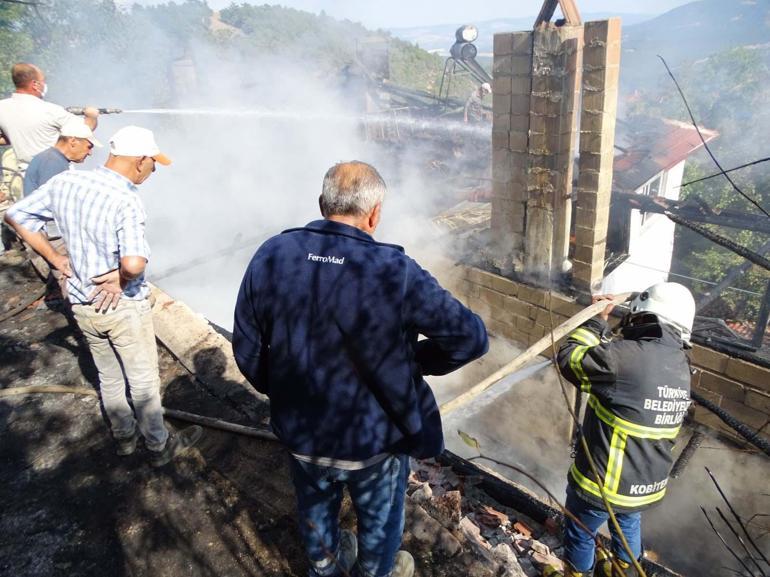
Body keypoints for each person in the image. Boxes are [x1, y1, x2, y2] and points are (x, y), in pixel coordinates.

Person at [232, 161, 489, 577]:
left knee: (314, 508)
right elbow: (471, 339)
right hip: (373, 443)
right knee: (381, 523)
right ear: (375, 214)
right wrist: (415, 365)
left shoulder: (273, 253)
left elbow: (246, 344)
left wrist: (283, 389)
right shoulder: (395, 271)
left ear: (322, 204)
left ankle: (325, 568)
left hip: (300, 433)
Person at [4, 125, 202, 467]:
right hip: (122, 307)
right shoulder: (126, 199)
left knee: (108, 375)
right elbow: (135, 262)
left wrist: (54, 258)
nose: (153, 170)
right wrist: (122, 279)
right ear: (139, 161)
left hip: (81, 302)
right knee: (142, 381)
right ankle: (158, 446)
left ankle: (124, 438)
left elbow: (15, 215)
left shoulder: (67, 181)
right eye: (153, 163)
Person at [549, 282, 695, 577]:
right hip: (643, 483)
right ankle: (624, 570)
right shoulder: (679, 363)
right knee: (627, 523)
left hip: (603, 484)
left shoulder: (626, 356)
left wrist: (596, 320)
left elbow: (570, 359)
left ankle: (578, 573)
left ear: (643, 316)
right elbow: (618, 370)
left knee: (580, 531)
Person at [0, 63, 99, 174]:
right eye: (43, 81)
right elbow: (85, 131)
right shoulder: (51, 110)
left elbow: (10, 136)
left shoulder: (2, 107)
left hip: (26, 175)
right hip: (56, 173)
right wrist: (92, 115)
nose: (44, 85)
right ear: (35, 85)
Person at [23, 117, 101, 196]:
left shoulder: (53, 158)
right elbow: (53, 200)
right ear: (73, 141)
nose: (90, 153)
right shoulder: (52, 161)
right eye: (89, 147)